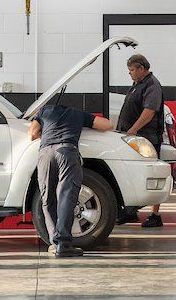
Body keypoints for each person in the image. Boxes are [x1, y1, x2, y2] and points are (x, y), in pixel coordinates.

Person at [30, 102, 113, 257]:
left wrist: (43, 128)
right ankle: (63, 244)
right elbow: (107, 125)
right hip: (67, 152)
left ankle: (55, 243)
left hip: (46, 154)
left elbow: (32, 134)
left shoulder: (44, 112)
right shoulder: (77, 113)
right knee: (66, 197)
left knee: (47, 198)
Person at [116, 53, 166, 228]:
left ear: (141, 68)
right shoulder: (138, 84)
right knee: (132, 173)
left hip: (147, 137)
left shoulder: (152, 86)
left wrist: (133, 130)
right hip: (135, 137)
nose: (129, 73)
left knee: (152, 174)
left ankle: (155, 215)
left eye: (131, 70)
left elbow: (149, 112)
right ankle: (130, 212)